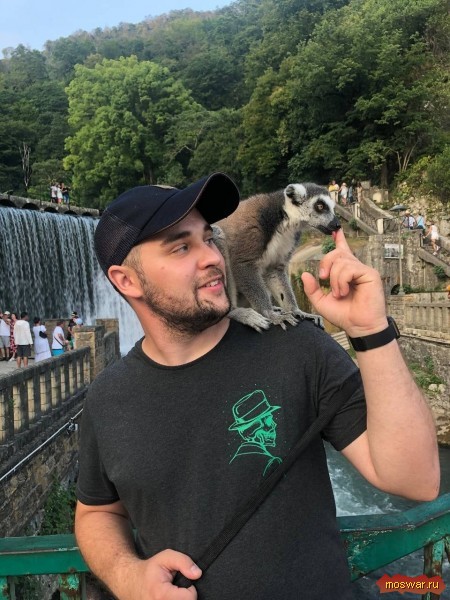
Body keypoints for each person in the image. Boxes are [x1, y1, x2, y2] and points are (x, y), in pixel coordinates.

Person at [75, 173, 439, 600]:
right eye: (181, 247)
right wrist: (128, 577)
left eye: (208, 238)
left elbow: (417, 480)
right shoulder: (108, 398)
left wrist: (372, 330)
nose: (213, 256)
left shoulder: (299, 349)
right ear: (127, 281)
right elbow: (97, 513)